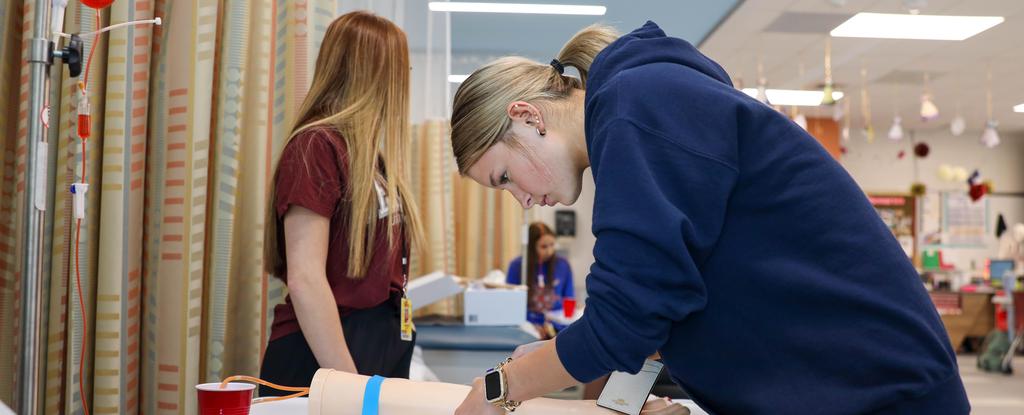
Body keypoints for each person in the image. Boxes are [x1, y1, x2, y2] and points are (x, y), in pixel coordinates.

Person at [449, 21, 969, 415]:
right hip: (852, 385)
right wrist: (624, 400)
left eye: (504, 178)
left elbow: (624, 318)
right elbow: (662, 305)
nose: (521, 199)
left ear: (527, 116)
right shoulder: (640, 112)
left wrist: (501, 387)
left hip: (881, 392)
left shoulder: (638, 107)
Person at [258, 11, 424, 396]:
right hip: (322, 356)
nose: (407, 77)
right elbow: (305, 279)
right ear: (372, 72)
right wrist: (348, 386)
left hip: (375, 342)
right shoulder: (316, 146)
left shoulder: (372, 160)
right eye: (401, 66)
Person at [506, 222, 575, 337]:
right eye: (543, 247)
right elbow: (511, 303)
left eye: (552, 245)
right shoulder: (517, 266)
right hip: (528, 323)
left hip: (558, 324)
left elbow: (569, 298)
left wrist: (563, 320)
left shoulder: (563, 265)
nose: (549, 251)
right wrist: (534, 322)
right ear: (532, 247)